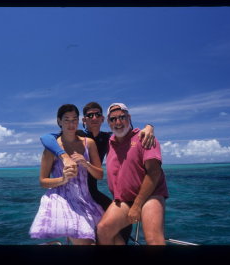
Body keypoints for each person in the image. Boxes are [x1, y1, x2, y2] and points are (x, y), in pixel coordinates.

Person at [40, 102, 155, 243]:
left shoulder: (108, 138)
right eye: (90, 115)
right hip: (75, 194)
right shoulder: (77, 135)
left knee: (122, 226)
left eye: (98, 114)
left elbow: (129, 135)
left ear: (102, 119)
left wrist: (149, 127)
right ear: (84, 120)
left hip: (92, 191)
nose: (94, 118)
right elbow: (46, 138)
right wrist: (64, 156)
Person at [29, 104, 104, 245]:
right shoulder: (52, 148)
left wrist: (86, 164)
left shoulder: (89, 144)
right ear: (59, 122)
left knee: (106, 235)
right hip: (61, 199)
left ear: (79, 121)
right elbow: (43, 181)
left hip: (85, 199)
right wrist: (63, 179)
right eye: (67, 120)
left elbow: (100, 174)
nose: (71, 124)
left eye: (74, 119)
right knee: (84, 242)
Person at [97, 103, 169, 245]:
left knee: (153, 240)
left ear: (129, 118)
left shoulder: (145, 138)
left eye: (122, 117)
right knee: (103, 229)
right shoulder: (110, 142)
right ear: (108, 122)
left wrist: (137, 205)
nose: (118, 122)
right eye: (113, 119)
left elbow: (154, 173)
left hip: (150, 196)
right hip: (124, 200)